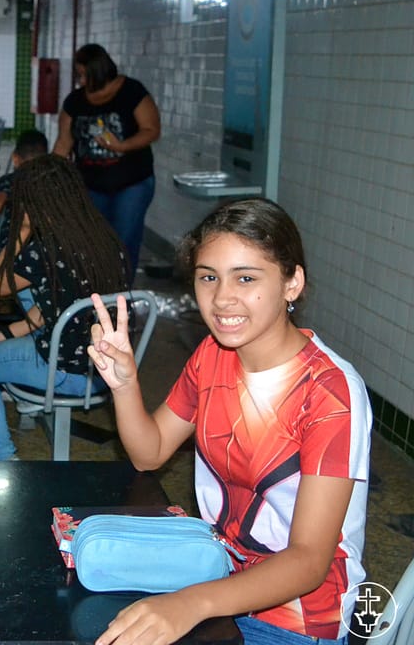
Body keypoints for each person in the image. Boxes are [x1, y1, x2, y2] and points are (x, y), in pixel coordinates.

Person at [86, 198, 372, 645]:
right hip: (218, 575)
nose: (221, 299)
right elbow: (150, 452)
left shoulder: (330, 392)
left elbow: (309, 561)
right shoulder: (214, 355)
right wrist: (124, 385)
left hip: (298, 617)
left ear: (292, 282)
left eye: (246, 278)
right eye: (208, 278)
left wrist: (190, 603)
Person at [0, 154, 129, 461]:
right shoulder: (107, 240)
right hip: (108, 369)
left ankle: (3, 460)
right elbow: (65, 307)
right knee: (35, 301)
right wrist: (10, 333)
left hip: (63, 371)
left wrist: (23, 229)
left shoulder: (44, 250)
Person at [53, 43, 161, 278]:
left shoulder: (131, 91)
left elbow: (151, 129)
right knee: (94, 240)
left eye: (83, 74)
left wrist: (122, 146)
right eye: (78, 74)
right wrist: (49, 177)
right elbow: (63, 143)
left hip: (132, 182)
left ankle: (121, 298)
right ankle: (98, 294)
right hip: (91, 185)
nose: (80, 79)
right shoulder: (75, 102)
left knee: (123, 241)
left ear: (98, 70)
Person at [0, 129, 48, 259]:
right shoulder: (52, 181)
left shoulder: (12, 179)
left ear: (15, 158)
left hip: (13, 246)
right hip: (46, 247)